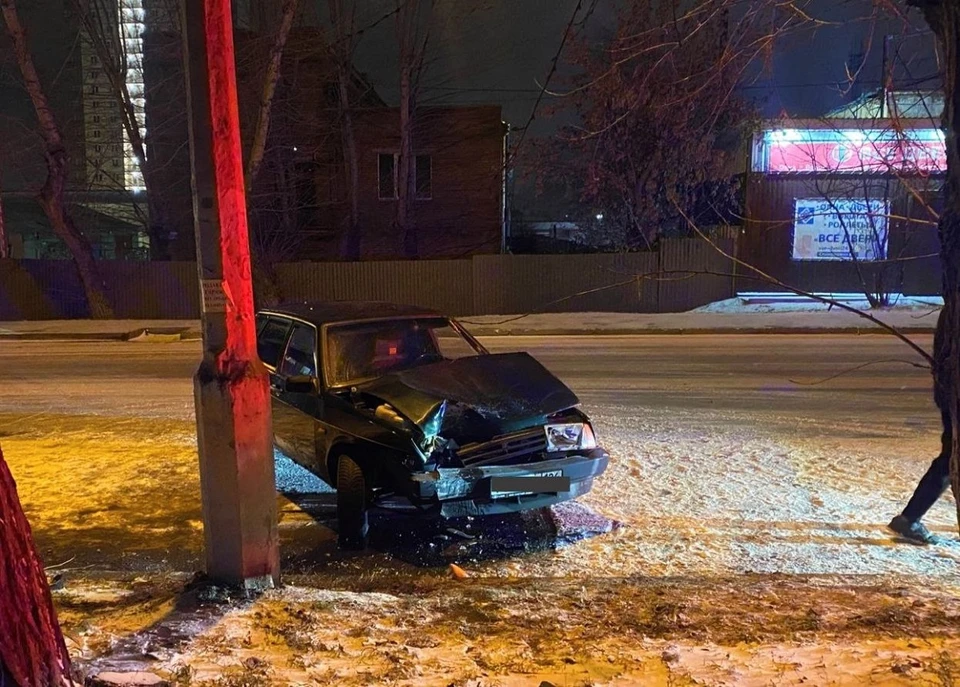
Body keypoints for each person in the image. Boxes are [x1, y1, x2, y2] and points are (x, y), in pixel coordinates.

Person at [889, 308, 954, 545]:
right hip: (954, 395)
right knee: (950, 459)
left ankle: (910, 518)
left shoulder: (953, 305)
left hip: (950, 393)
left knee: (950, 458)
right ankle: (910, 518)